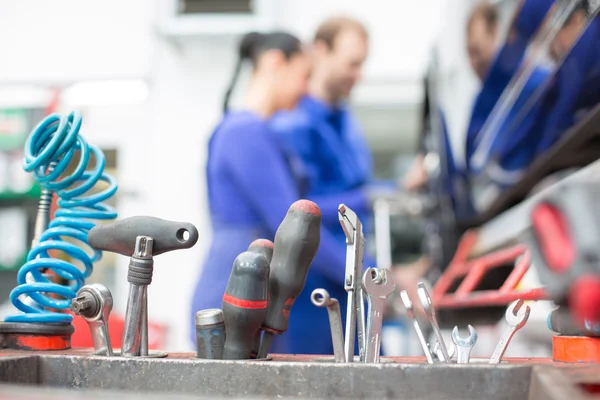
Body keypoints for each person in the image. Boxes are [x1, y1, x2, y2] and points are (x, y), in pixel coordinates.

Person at [190, 31, 359, 355]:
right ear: (274, 62)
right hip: (235, 291)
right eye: (304, 75)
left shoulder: (253, 131)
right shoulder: (245, 132)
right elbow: (293, 221)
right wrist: (362, 273)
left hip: (254, 289)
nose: (306, 89)